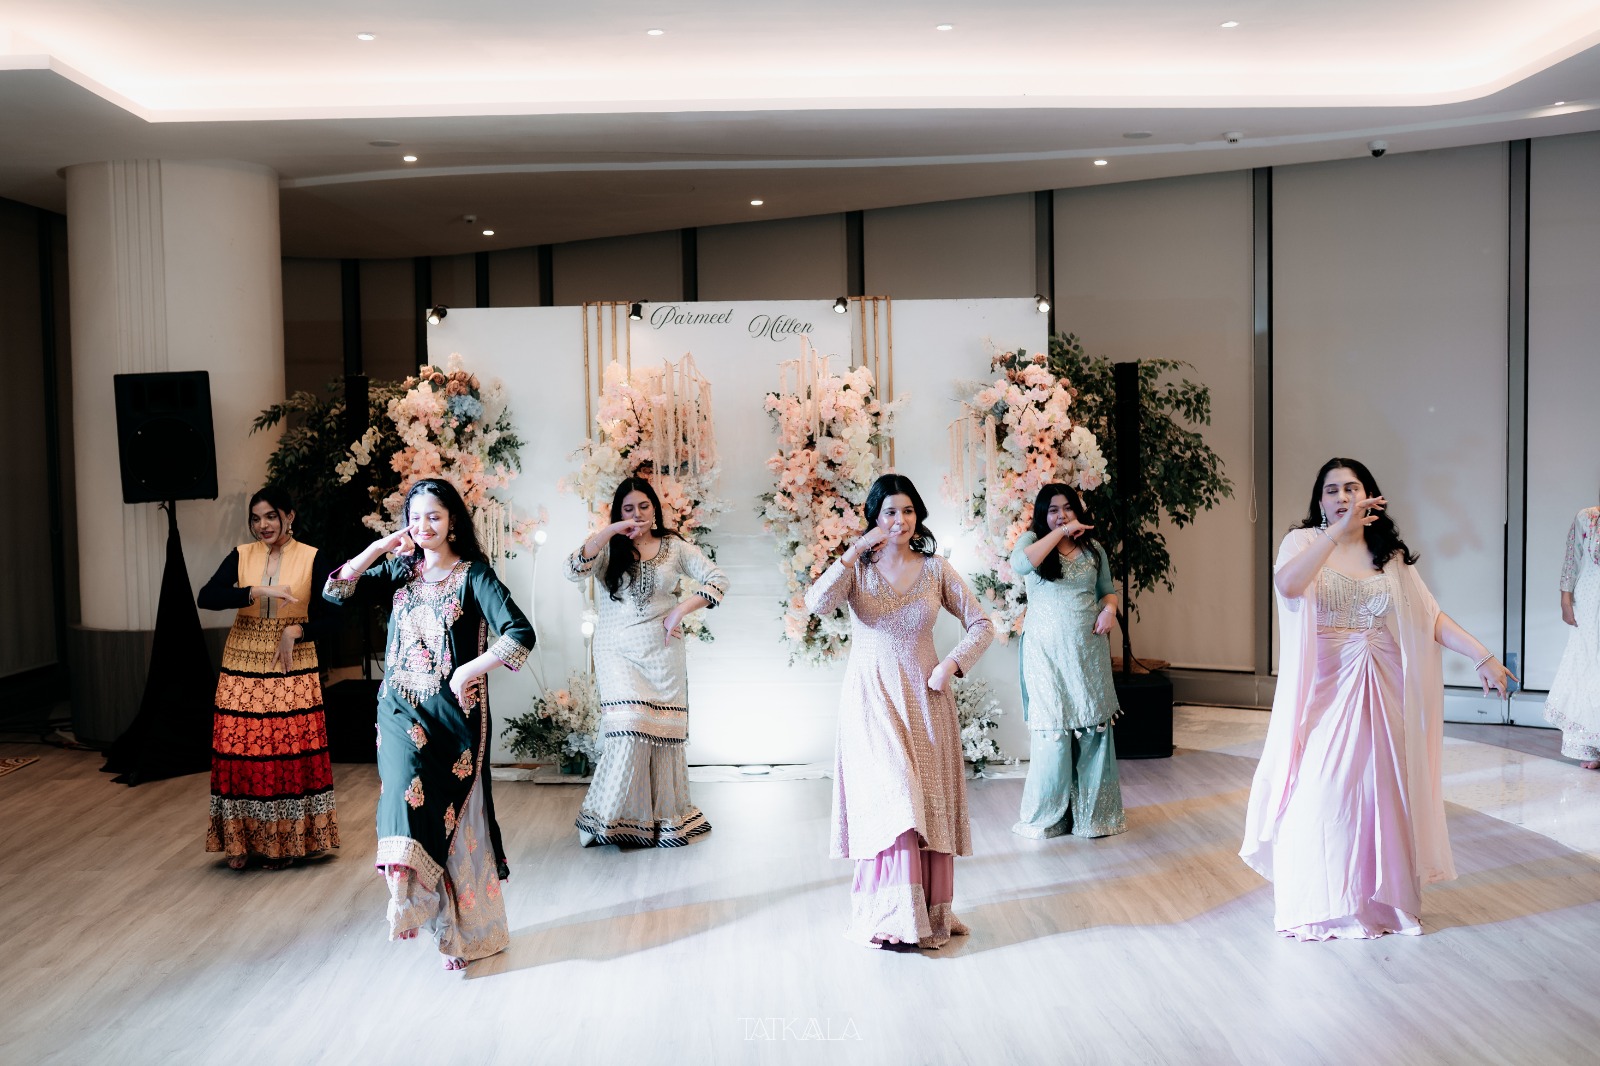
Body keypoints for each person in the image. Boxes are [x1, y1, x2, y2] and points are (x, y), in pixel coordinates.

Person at [1241, 458, 1515, 940]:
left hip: (1384, 684)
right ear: (1319, 501)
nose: (1342, 497)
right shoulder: (1302, 542)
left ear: (1370, 495)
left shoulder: (1388, 555)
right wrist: (1336, 531)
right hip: (1328, 688)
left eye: (1352, 488)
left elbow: (1430, 617)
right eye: (1331, 490)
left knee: (1381, 793)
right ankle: (1321, 903)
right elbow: (1288, 585)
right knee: (1323, 789)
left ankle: (1385, 905)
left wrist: (1482, 655)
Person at [324, 478, 534, 970]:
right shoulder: (400, 571)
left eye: (434, 516)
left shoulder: (473, 575)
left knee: (454, 816)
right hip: (399, 710)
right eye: (414, 518)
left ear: (453, 520)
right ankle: (412, 904)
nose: (423, 526)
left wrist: (468, 669)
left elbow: (520, 633)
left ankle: (461, 932)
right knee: (404, 800)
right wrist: (380, 547)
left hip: (453, 718)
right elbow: (336, 592)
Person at [804, 473, 994, 950]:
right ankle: (891, 915)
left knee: (923, 802)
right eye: (890, 511)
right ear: (874, 516)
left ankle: (928, 913)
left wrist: (951, 665)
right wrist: (854, 550)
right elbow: (817, 603)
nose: (900, 520)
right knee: (897, 798)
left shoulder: (936, 569)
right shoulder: (858, 571)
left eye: (908, 511)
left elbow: (982, 624)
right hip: (871, 699)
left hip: (926, 700)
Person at [566, 476, 728, 848]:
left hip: (662, 653)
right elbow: (572, 569)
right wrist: (610, 532)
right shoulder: (606, 547)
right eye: (628, 509)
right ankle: (607, 818)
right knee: (628, 729)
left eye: (643, 506)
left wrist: (680, 611)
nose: (637, 514)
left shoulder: (674, 547)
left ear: (654, 508)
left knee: (659, 738)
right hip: (616, 652)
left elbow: (718, 579)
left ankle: (655, 820)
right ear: (618, 513)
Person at [198, 487, 341, 871]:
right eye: (256, 518)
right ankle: (240, 840)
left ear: (289, 516)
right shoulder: (241, 555)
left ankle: (288, 844)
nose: (263, 525)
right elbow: (206, 597)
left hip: (291, 663)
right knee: (235, 749)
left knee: (284, 754)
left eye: (271, 516)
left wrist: (297, 630)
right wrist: (255, 590)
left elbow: (335, 617)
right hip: (241, 660)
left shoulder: (313, 557)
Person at [1009, 483, 1126, 840]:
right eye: (1053, 510)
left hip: (1088, 651)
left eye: (1068, 508)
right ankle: (1049, 817)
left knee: (1093, 729)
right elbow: (1020, 564)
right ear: (1042, 515)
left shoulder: (1093, 549)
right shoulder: (1031, 541)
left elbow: (1107, 591)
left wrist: (1109, 610)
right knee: (1053, 732)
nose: (1062, 515)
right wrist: (1059, 533)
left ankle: (1095, 817)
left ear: (1077, 509)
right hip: (1045, 654)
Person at [1546, 503, 1600, 769]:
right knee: (1589, 664)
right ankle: (1591, 744)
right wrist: (1565, 597)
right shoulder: (1587, 517)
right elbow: (1573, 558)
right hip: (1591, 598)